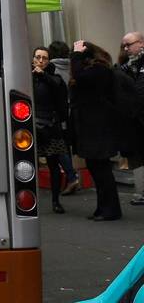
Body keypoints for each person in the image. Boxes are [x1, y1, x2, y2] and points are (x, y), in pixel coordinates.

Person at [70, 41, 125, 221]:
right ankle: (103, 207)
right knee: (96, 168)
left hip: (97, 127)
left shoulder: (99, 71)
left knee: (101, 170)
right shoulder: (95, 71)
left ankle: (110, 209)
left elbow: (80, 77)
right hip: (91, 126)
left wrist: (76, 55)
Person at [32, 47, 70, 213]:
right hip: (30, 126)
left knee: (53, 165)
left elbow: (58, 90)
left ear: (49, 61)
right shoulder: (27, 77)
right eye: (38, 57)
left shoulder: (54, 77)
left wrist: (43, 75)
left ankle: (56, 200)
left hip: (50, 126)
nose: (41, 61)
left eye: (44, 58)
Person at [47, 40, 80, 195]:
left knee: (58, 147)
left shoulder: (50, 68)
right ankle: (72, 177)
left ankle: (72, 176)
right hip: (71, 110)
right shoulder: (73, 65)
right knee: (65, 145)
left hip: (56, 112)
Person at [117, 31, 144, 207]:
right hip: (136, 120)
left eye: (129, 44)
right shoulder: (127, 67)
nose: (126, 48)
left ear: (141, 43)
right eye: (124, 46)